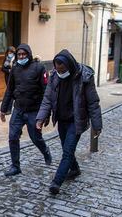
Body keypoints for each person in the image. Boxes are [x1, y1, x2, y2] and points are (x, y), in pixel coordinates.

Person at [36, 49, 102, 194]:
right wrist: (41, 118)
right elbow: (47, 99)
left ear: (69, 66)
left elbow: (93, 102)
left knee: (67, 151)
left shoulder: (84, 77)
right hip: (62, 119)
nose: (60, 72)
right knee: (67, 148)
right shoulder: (54, 76)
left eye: (63, 70)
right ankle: (75, 169)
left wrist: (97, 125)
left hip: (76, 121)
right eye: (58, 69)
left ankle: (56, 182)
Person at [0, 43, 52, 177]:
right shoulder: (15, 69)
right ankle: (15, 166)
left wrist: (46, 114)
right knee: (12, 137)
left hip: (33, 110)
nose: (21, 57)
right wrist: (3, 109)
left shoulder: (39, 68)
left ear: (29, 54)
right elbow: (10, 90)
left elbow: (46, 91)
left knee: (35, 137)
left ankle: (45, 151)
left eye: (24, 54)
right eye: (19, 55)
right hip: (18, 109)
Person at [1, 46, 16, 114]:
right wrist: (9, 70)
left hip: (14, 77)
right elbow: (2, 69)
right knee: (9, 91)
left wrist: (12, 71)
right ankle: (8, 108)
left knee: (11, 92)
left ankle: (9, 109)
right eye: (9, 52)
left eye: (11, 52)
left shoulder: (16, 59)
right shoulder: (6, 59)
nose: (10, 53)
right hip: (7, 78)